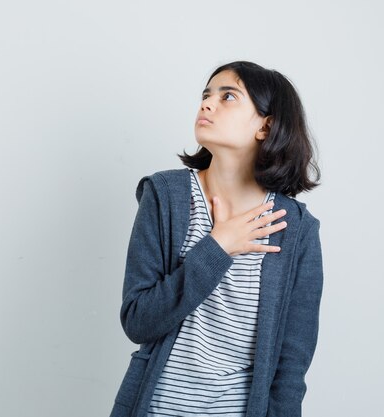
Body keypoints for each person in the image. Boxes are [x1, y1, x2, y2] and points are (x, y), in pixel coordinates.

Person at [109, 60, 324, 417]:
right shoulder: (166, 196)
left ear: (265, 126)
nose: (207, 104)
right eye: (206, 95)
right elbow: (138, 321)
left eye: (228, 96)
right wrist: (217, 248)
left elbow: (291, 363)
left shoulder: (296, 229)